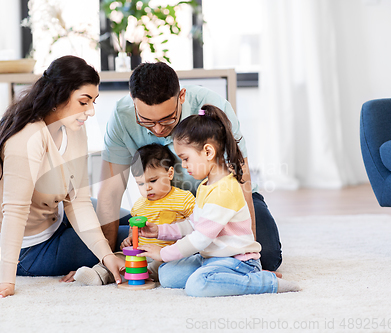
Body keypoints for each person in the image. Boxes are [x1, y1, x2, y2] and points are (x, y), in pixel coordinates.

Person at [0, 56, 126, 300]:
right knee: (132, 237)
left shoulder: (74, 127)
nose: (90, 111)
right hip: (29, 249)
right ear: (58, 95)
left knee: (132, 219)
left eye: (93, 102)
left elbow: (78, 201)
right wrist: (6, 281)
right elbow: (15, 211)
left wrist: (105, 255)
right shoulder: (26, 139)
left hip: (56, 215)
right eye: (84, 102)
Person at [97, 62, 282, 272]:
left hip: (223, 202)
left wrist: (250, 258)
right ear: (133, 103)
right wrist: (106, 259)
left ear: (181, 96)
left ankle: (189, 252)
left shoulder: (212, 107)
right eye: (147, 121)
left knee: (267, 257)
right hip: (167, 210)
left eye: (168, 119)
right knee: (101, 248)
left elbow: (241, 178)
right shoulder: (122, 117)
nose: (158, 129)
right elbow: (110, 192)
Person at [138, 104, 300, 297]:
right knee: (167, 275)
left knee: (197, 285)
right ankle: (223, 277)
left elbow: (200, 238)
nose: (184, 165)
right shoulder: (205, 186)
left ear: (208, 152)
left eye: (186, 158)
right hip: (212, 258)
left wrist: (163, 253)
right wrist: (159, 231)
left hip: (238, 261)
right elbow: (194, 226)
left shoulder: (225, 190)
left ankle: (263, 281)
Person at [74, 143, 195, 284]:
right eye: (140, 184)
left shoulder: (184, 198)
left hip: (166, 254)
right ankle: (98, 273)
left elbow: (197, 225)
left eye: (153, 180)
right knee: (118, 257)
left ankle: (141, 273)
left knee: (160, 266)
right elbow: (134, 228)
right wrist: (130, 238)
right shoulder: (139, 205)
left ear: (170, 173)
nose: (147, 187)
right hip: (139, 253)